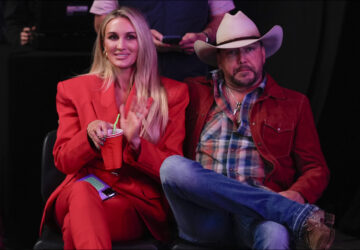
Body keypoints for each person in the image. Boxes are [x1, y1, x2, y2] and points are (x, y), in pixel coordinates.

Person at [160, 11, 335, 250]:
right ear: (219, 60)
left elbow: (316, 168)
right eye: (232, 52)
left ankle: (284, 209)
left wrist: (297, 193)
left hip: (256, 217)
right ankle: (295, 215)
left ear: (263, 54)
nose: (242, 58)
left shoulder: (294, 104)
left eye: (250, 49)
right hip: (204, 216)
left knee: (276, 235)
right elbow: (144, 83)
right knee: (172, 167)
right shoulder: (193, 93)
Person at [38, 7, 189, 249]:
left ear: (144, 43)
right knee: (82, 192)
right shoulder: (73, 90)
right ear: (103, 46)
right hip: (79, 190)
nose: (121, 45)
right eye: (113, 37)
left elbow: (174, 168)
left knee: (73, 227)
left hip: (133, 200)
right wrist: (88, 136)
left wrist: (138, 144)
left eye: (131, 36)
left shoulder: (172, 94)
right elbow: (63, 162)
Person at [89, 0, 235, 81]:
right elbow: (101, 20)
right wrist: (139, 35)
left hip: (193, 76)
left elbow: (223, 18)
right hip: (134, 77)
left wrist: (204, 37)